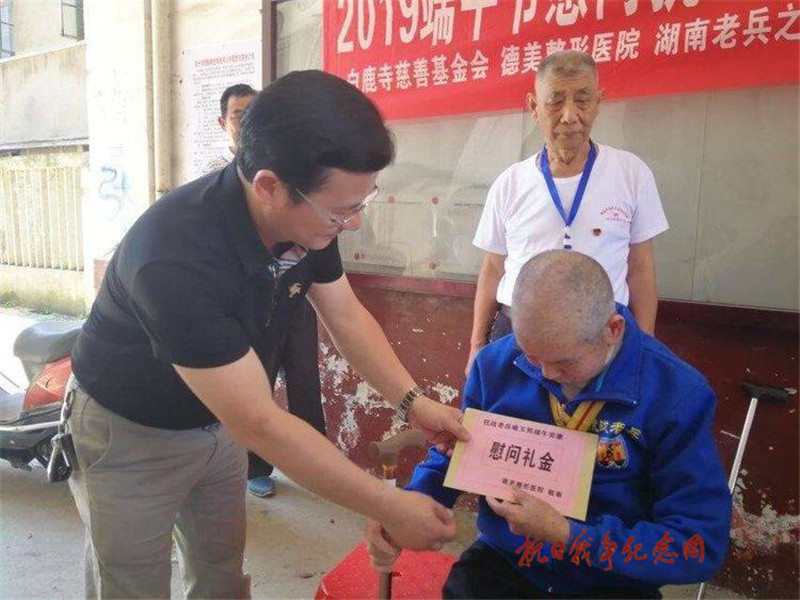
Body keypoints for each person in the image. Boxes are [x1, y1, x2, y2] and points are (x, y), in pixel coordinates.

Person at [66, 70, 469, 599]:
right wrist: (389, 505)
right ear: (269, 186)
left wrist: (413, 402)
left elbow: (345, 315)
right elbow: (260, 421)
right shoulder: (173, 258)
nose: (352, 223)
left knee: (221, 573)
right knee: (132, 585)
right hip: (131, 430)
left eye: (361, 204)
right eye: (343, 210)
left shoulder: (310, 217)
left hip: (219, 422)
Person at [367, 250, 731, 599]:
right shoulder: (496, 365)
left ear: (613, 329)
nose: (545, 375)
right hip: (509, 561)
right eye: (532, 356)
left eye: (564, 363)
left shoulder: (676, 394)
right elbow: (456, 456)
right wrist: (404, 509)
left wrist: (568, 534)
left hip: (609, 577)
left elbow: (699, 544)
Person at [467, 50, 669, 376]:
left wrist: (645, 347)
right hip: (518, 337)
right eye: (555, 101)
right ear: (534, 106)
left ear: (598, 103)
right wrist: (477, 346)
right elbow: (492, 270)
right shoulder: (510, 183)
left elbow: (641, 269)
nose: (569, 116)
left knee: (598, 413)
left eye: (583, 100)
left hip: (603, 338)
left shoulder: (631, 174)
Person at [205, 82, 326, 499]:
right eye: (239, 115)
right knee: (259, 381)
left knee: (306, 380)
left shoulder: (291, 174)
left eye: (254, 113)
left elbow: (345, 311)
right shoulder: (214, 180)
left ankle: (317, 463)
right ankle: (255, 466)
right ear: (223, 123)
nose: (247, 122)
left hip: (296, 295)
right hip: (254, 303)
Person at [203, 83, 257, 174]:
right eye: (239, 117)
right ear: (223, 124)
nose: (247, 122)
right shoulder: (214, 170)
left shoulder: (271, 162)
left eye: (252, 115)